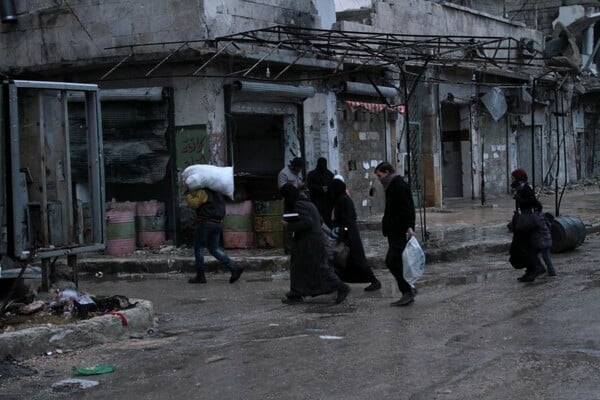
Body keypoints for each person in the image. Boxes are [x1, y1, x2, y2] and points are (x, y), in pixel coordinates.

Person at [279, 183, 350, 305]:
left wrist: (289, 225)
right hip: (307, 241)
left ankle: (341, 287)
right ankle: (296, 293)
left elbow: (308, 222)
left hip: (310, 242)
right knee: (299, 267)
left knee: (320, 268)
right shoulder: (306, 202)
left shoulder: (299, 204)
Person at [374, 162, 417, 306]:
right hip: (394, 230)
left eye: (380, 175)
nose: (379, 179)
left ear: (386, 172)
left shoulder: (399, 186)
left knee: (392, 261)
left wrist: (410, 227)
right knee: (397, 261)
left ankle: (407, 291)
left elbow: (408, 208)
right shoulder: (392, 186)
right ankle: (408, 290)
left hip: (399, 230)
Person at [328, 178, 381, 291]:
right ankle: (337, 284)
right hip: (348, 234)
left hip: (350, 236)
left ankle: (374, 281)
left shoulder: (344, 200)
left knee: (358, 260)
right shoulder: (341, 199)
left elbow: (348, 220)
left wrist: (343, 233)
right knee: (344, 262)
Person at [186, 187, 244, 284]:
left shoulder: (204, 192)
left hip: (206, 223)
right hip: (217, 224)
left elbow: (194, 204)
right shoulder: (218, 193)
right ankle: (234, 267)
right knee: (214, 249)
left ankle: (200, 276)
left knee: (199, 248)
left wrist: (188, 194)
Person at [509, 168, 545, 282]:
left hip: (526, 224)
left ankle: (535, 268)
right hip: (522, 223)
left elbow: (534, 202)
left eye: (513, 178)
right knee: (522, 248)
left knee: (522, 248)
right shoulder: (519, 188)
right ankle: (531, 270)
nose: (512, 180)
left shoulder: (526, 188)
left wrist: (520, 199)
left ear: (518, 178)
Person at [306, 157, 334, 227]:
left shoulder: (330, 174)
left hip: (327, 203)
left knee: (327, 221)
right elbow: (309, 186)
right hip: (316, 201)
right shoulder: (312, 174)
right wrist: (320, 189)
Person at [533, 202, 556, 277]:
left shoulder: (536, 217)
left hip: (542, 241)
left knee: (545, 257)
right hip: (547, 239)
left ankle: (551, 272)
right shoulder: (543, 215)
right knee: (545, 256)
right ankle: (544, 270)